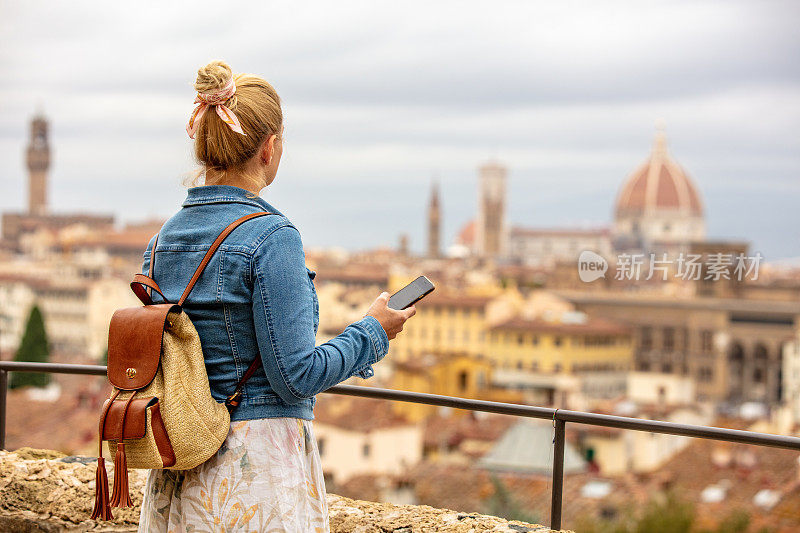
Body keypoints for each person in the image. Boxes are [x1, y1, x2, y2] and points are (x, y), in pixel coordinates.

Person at [136, 60, 416, 532]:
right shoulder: (271, 237)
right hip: (252, 469)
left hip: (181, 461)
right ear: (269, 148)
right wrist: (373, 333)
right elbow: (296, 375)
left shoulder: (163, 239)